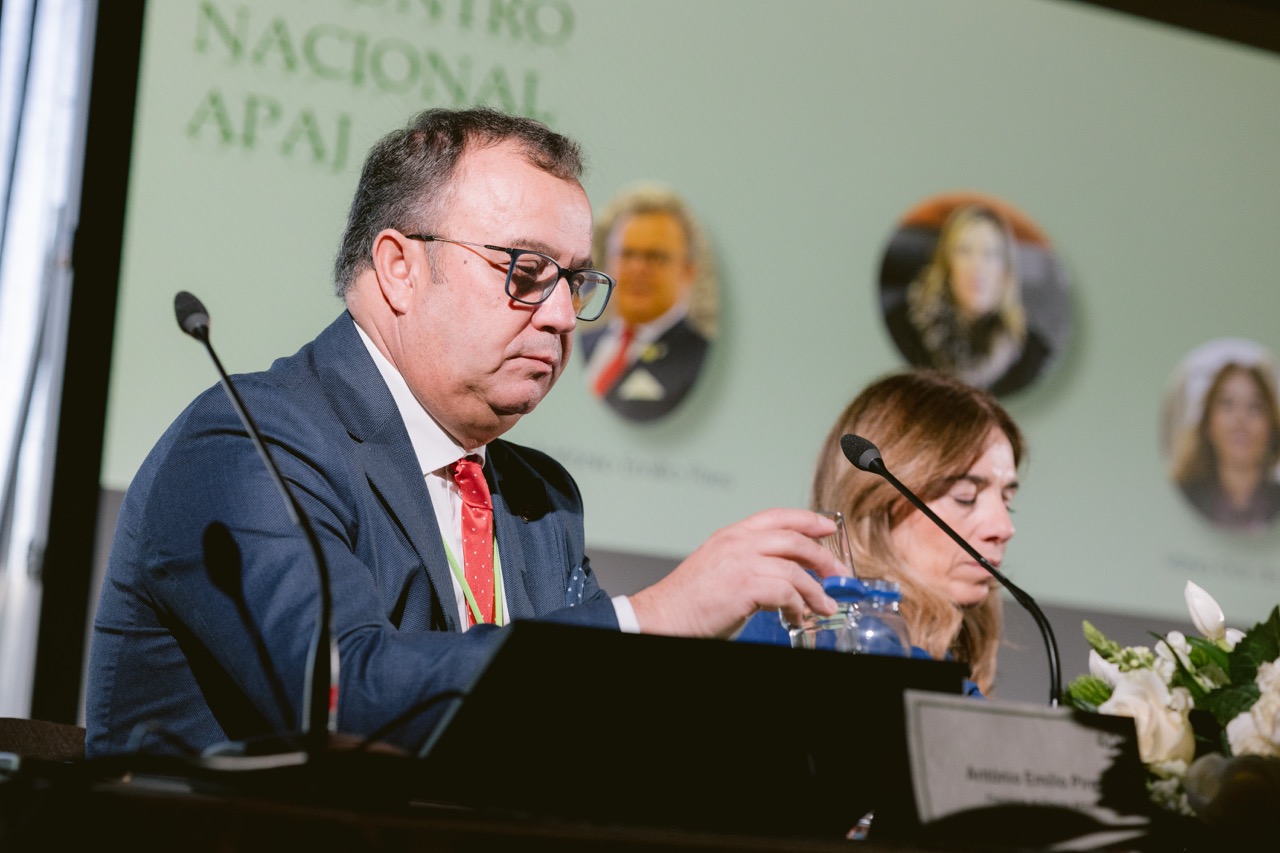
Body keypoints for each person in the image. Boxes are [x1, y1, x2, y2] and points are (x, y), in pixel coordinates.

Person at [85, 107, 847, 758]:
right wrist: (655, 615)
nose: (561, 316)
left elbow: (589, 728)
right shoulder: (249, 442)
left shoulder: (540, 498)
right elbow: (341, 694)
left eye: (574, 282)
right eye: (525, 270)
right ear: (399, 268)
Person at [739, 369, 1024, 696]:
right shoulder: (809, 617)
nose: (1004, 528)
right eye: (965, 497)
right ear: (876, 499)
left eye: (1007, 502)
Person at [884, 204, 1049, 397]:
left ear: (1005, 270)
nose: (977, 266)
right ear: (947, 263)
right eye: (964, 251)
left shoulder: (1031, 353)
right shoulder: (902, 327)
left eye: (990, 254)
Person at [579, 184, 711, 421]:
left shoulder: (697, 358)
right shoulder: (583, 345)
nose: (638, 268)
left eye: (655, 257)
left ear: (687, 272)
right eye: (626, 254)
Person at [1171, 361, 1280, 531]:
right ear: (1208, 425)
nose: (1241, 419)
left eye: (1255, 406)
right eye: (1228, 404)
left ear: (1271, 428)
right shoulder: (1180, 499)